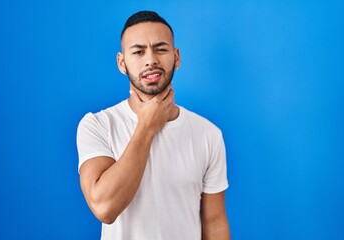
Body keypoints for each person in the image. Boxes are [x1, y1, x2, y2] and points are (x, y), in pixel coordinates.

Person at [76, 10, 231, 240]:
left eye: (161, 49)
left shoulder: (208, 134)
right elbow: (104, 207)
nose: (151, 60)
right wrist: (147, 127)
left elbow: (215, 222)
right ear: (122, 62)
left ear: (176, 57)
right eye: (138, 51)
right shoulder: (97, 125)